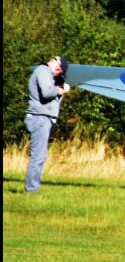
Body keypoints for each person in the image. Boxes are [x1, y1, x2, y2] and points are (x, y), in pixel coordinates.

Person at [24, 56, 72, 193]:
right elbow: (46, 92)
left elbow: (51, 100)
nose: (58, 75)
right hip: (40, 118)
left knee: (40, 156)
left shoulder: (43, 72)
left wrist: (59, 91)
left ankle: (32, 188)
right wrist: (60, 90)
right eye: (59, 73)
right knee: (38, 156)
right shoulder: (44, 70)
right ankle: (32, 189)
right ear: (58, 68)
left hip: (41, 118)